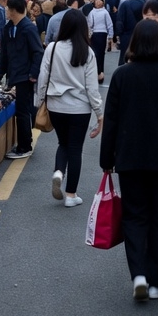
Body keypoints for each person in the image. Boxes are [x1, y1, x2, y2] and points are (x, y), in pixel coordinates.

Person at [100, 20, 158, 302]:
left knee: (135, 216)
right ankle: (157, 282)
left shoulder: (122, 75)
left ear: (134, 44)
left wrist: (106, 159)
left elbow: (111, 120)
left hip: (130, 158)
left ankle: (138, 273)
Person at [36, 11, 103, 207]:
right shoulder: (87, 52)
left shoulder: (53, 48)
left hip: (56, 105)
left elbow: (43, 77)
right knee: (75, 149)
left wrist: (40, 101)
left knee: (63, 143)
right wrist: (99, 114)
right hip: (80, 108)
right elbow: (92, 87)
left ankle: (58, 171)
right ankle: (71, 194)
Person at [0, 0, 44, 160]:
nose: (6, 12)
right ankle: (23, 143)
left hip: (25, 76)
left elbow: (38, 52)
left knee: (22, 111)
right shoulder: (9, 28)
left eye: (7, 9)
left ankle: (25, 146)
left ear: (13, 10)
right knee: (22, 110)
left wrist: (33, 74)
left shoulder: (28, 28)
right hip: (14, 74)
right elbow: (4, 53)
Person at [86, 0, 115, 82]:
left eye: (99, 1)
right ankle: (100, 72)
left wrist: (110, 36)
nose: (98, 2)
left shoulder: (94, 12)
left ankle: (98, 72)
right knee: (100, 54)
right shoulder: (104, 12)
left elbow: (89, 24)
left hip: (96, 34)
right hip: (101, 34)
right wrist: (110, 36)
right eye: (97, 1)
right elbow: (109, 25)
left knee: (96, 54)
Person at [115, 0, 146, 65]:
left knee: (126, 58)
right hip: (143, 34)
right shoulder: (146, 3)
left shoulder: (125, 4)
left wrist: (118, 34)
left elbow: (120, 21)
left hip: (127, 35)